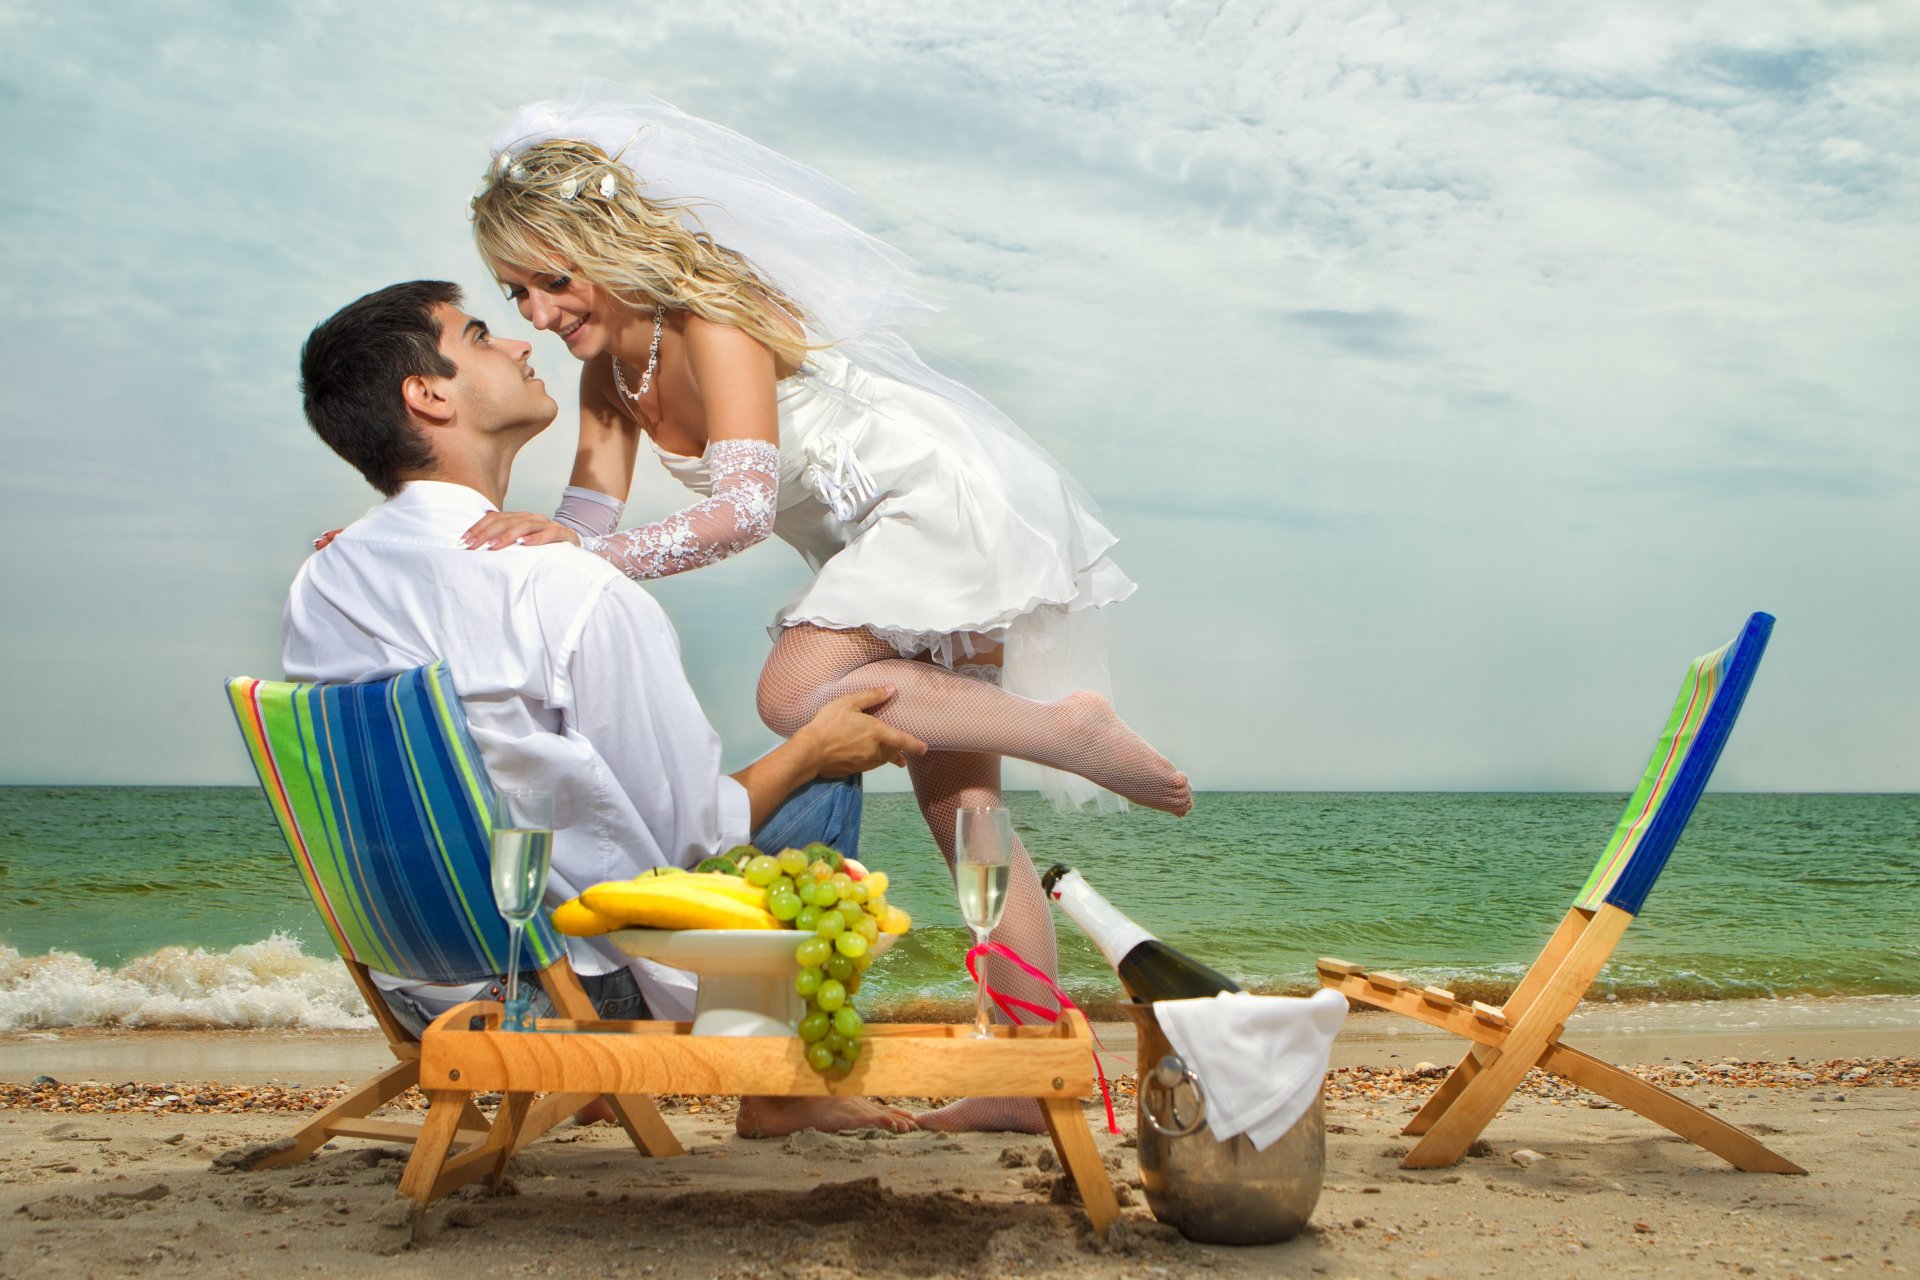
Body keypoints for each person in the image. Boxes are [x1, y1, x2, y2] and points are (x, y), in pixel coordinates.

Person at [457, 83, 1193, 1134]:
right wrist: (491, 540)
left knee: (796, 690)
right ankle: (1026, 1071)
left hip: (930, 497)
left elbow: (744, 510)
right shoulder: (607, 385)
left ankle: (1064, 727)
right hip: (868, 542)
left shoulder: (711, 317)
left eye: (549, 280)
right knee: (964, 811)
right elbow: (582, 516)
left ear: (603, 242)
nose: (537, 312)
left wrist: (595, 552)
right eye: (514, 293)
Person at [287, 278, 930, 1137]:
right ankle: (783, 1092)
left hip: (415, 982)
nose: (522, 342)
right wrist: (813, 751)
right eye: (482, 334)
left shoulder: (324, 578)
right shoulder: (563, 586)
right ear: (428, 394)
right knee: (826, 775)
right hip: (568, 989)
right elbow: (693, 838)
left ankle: (588, 1086)